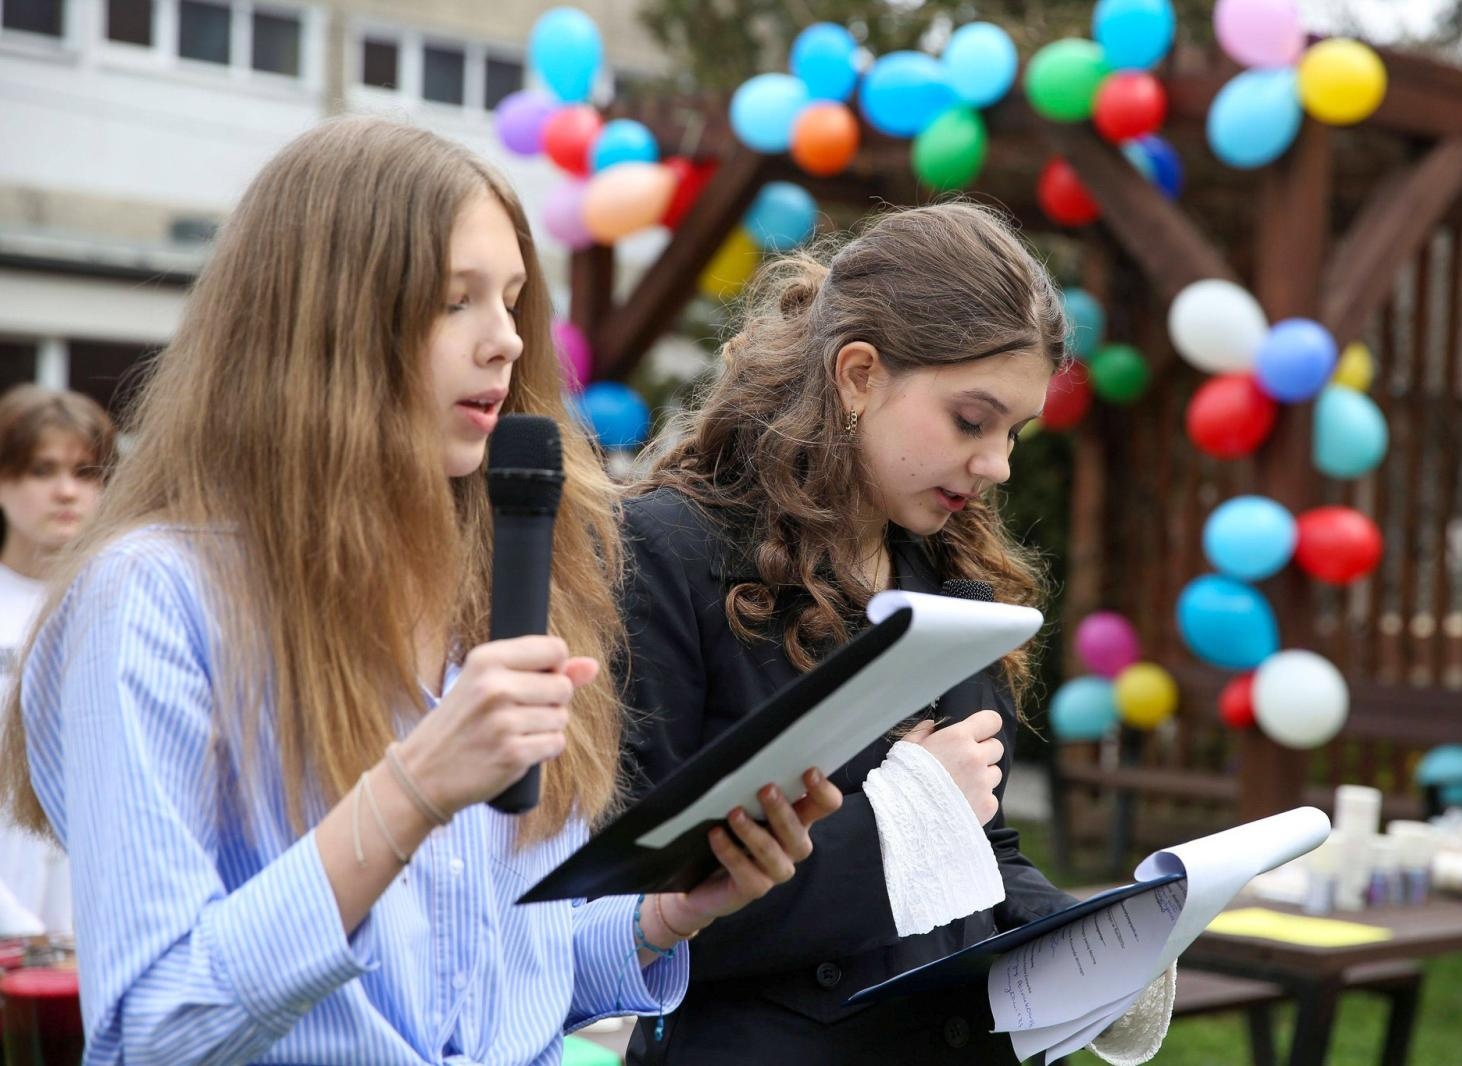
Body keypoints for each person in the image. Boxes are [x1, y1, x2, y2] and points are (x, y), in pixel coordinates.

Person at [0, 116, 839, 1066]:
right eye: (455, 301)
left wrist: (666, 914)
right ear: (326, 327)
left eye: (514, 300)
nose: (507, 342)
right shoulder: (155, 597)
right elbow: (157, 1023)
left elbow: (486, 977)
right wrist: (411, 791)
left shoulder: (476, 581)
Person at [619, 203, 1171, 1064]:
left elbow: (976, 842)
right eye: (971, 420)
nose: (999, 466)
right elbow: (640, 914)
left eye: (1014, 432)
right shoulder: (672, 552)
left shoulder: (947, 573)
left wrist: (1097, 935)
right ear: (859, 374)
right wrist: (906, 816)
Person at [0, 384, 115, 936]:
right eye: (42, 470)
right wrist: (16, 926)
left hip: (92, 932)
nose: (66, 492)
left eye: (86, 472)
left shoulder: (119, 603)